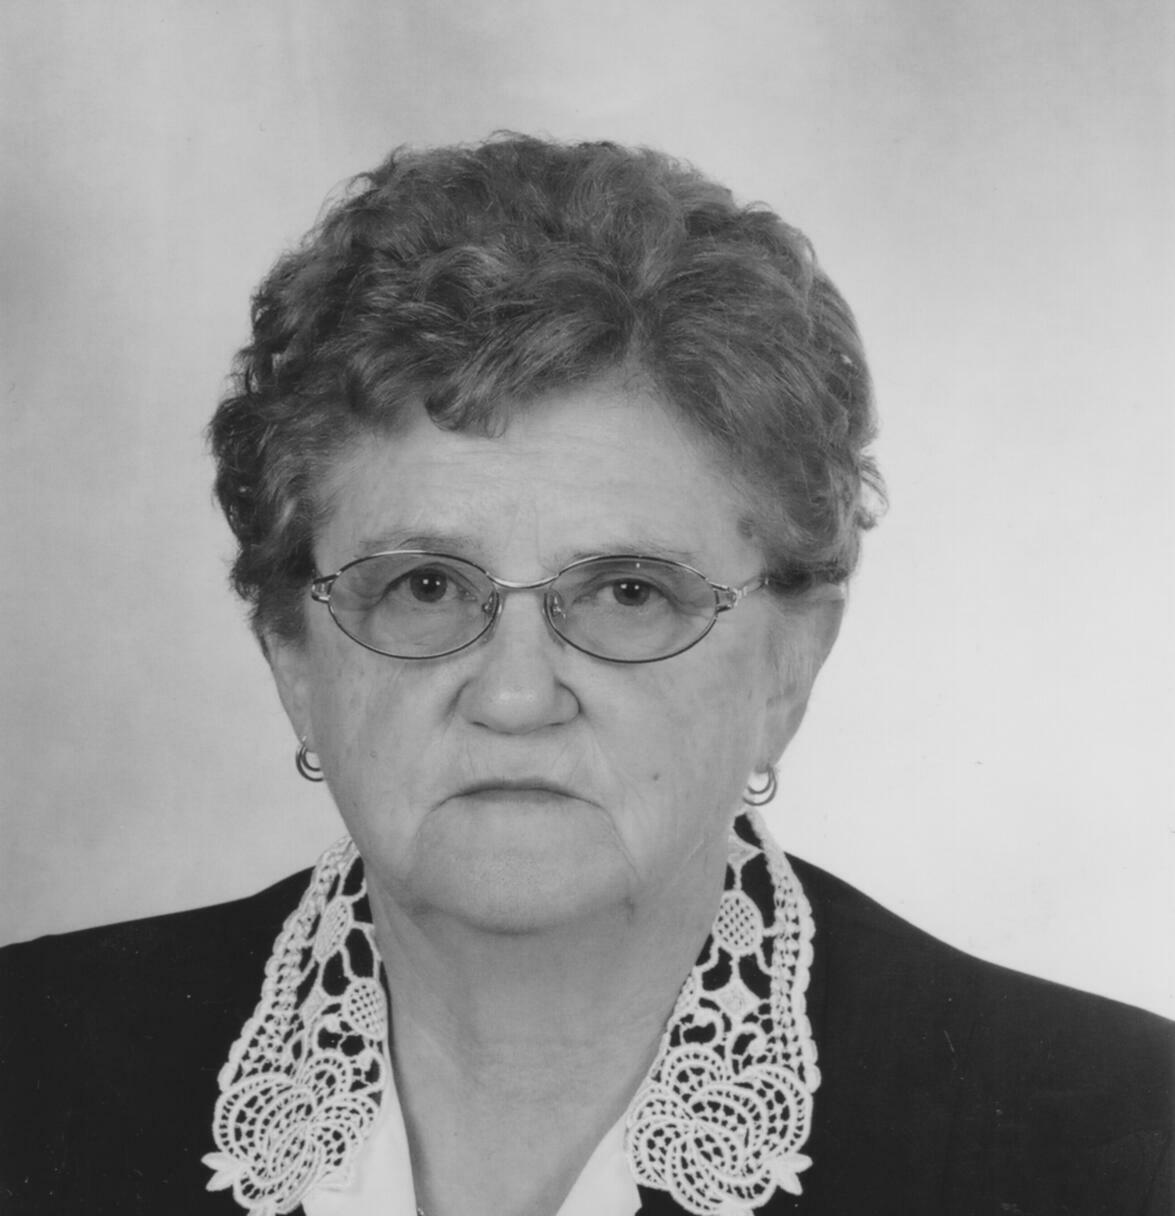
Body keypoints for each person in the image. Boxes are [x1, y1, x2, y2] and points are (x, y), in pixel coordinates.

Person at [0, 134, 1170, 1216]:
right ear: (293, 657)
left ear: (787, 665)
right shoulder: (30, 1059)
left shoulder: (1110, 1139)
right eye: (425, 586)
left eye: (627, 592)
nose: (515, 697)